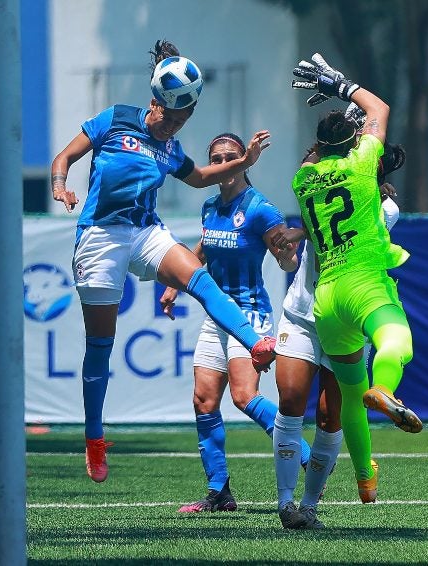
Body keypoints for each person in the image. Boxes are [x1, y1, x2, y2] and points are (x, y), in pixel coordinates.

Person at [49, 40, 277, 483]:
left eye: (182, 120)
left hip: (144, 232)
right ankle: (94, 439)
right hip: (100, 236)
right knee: (101, 343)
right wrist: (61, 184)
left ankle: (255, 344)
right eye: (168, 117)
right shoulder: (115, 119)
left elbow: (198, 179)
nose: (172, 126)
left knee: (201, 280)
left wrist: (246, 161)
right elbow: (66, 156)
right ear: (153, 103)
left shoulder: (171, 150)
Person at [276, 53, 423, 505]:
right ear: (358, 143)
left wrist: (339, 124)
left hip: (326, 298)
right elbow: (379, 111)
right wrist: (342, 86)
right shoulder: (363, 169)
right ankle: (387, 389)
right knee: (397, 343)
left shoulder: (303, 179)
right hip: (360, 282)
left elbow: (320, 157)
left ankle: (364, 475)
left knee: (347, 398)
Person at [158, 132, 310, 513]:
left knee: (244, 396)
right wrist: (176, 285)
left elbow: (285, 256)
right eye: (217, 157)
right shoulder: (210, 207)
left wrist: (287, 258)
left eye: (230, 155)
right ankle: (219, 492)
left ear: (243, 160)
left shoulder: (260, 208)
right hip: (216, 316)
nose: (224, 162)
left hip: (250, 313)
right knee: (203, 399)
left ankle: (308, 458)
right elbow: (206, 245)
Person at [274, 175, 403, 529]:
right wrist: (288, 255)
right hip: (302, 314)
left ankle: (309, 505)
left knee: (331, 415)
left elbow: (340, 233)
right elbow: (297, 251)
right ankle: (286, 504)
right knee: (290, 399)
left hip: (346, 317)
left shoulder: (386, 209)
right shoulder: (316, 183)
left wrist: (301, 231)